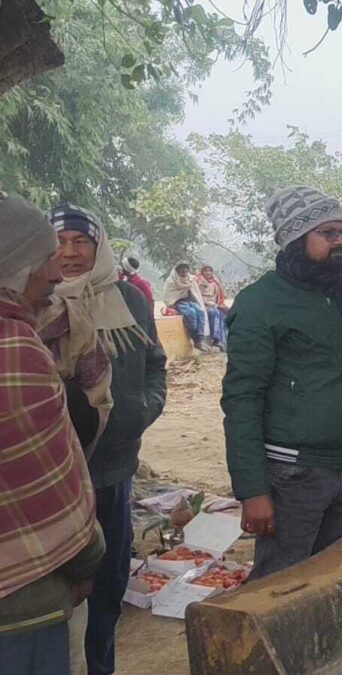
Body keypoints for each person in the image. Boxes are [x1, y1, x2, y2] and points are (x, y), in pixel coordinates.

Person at [223, 186, 342, 580]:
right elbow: (242, 400)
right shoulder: (260, 304)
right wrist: (253, 491)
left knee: (339, 578)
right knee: (281, 586)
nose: (340, 242)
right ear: (295, 238)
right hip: (294, 476)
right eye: (328, 233)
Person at [47, 203, 167, 675]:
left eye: (81, 241)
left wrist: (143, 408)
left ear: (98, 248)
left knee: (109, 584)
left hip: (114, 471)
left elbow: (154, 363)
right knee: (60, 590)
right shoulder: (34, 302)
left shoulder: (129, 300)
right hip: (55, 479)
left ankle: (102, 668)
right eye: (59, 242)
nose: (70, 253)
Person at [0, 193, 106, 675]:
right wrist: (85, 559)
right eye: (47, 255)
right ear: (17, 269)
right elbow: (50, 486)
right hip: (25, 600)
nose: (56, 271)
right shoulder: (17, 349)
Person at [164, 263, 212, 352]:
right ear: (177, 271)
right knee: (191, 313)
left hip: (190, 301)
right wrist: (171, 305)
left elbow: (195, 292)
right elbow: (168, 296)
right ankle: (195, 337)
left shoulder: (190, 279)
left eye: (186, 270)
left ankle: (200, 339)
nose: (184, 272)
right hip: (178, 302)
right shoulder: (171, 281)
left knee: (200, 312)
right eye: (182, 270)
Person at [196, 265, 229, 348]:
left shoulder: (215, 283)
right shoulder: (198, 282)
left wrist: (219, 305)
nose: (208, 273)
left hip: (214, 305)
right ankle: (216, 339)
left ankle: (225, 342)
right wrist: (210, 304)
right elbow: (197, 296)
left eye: (209, 271)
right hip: (202, 305)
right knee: (214, 313)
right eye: (205, 271)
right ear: (202, 272)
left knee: (224, 314)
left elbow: (218, 297)